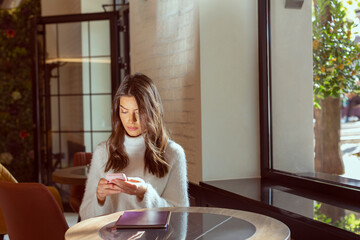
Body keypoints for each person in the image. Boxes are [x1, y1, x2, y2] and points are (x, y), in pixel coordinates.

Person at [79, 73, 189, 220]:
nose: (131, 120)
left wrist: (144, 193)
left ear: (152, 111)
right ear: (118, 112)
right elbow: (85, 215)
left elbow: (180, 217)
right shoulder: (103, 152)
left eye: (139, 112)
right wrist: (100, 198)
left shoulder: (173, 154)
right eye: (124, 111)